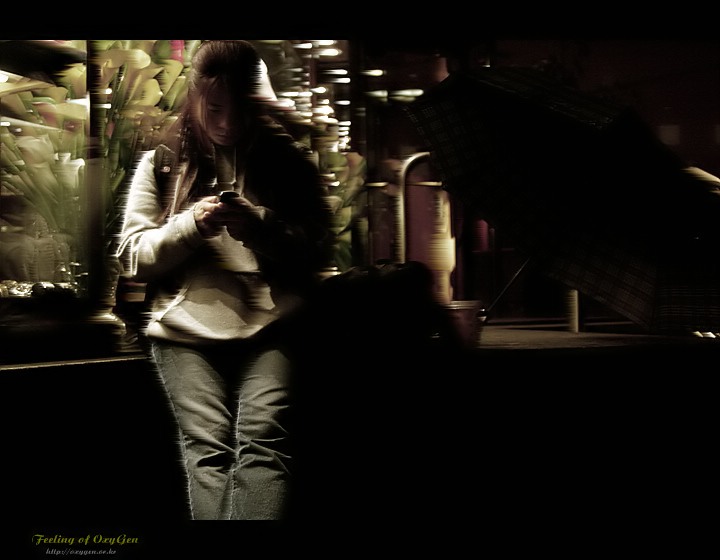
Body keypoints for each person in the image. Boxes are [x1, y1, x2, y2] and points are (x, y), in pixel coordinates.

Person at [115, 40, 332, 520]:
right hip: (183, 331)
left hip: (275, 325)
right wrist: (191, 225)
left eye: (241, 108)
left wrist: (259, 227)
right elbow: (132, 257)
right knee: (206, 449)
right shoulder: (163, 160)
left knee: (264, 439)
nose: (228, 123)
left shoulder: (290, 164)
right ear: (195, 96)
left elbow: (316, 250)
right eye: (215, 108)